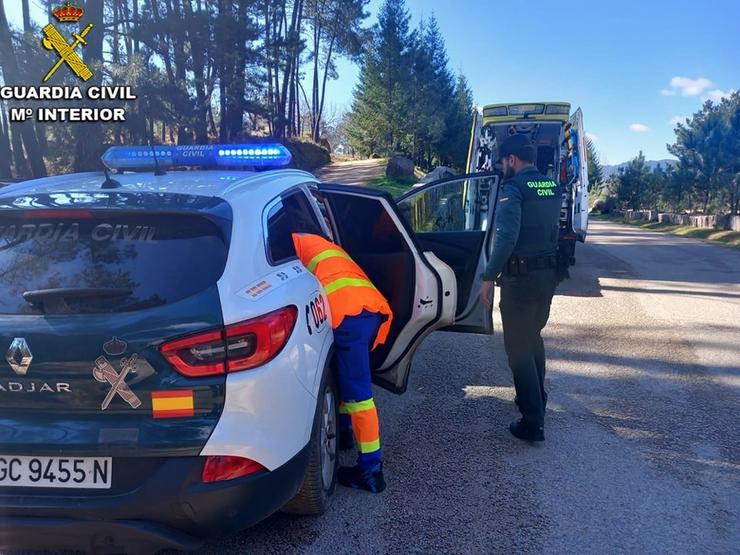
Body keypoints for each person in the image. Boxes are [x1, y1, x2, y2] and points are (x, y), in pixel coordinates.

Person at [292, 232, 393, 492]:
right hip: (369, 309)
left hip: (346, 315)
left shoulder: (290, 245)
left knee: (359, 396)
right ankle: (346, 433)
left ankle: (371, 471)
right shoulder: (319, 242)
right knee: (348, 379)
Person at [479, 134, 562, 442]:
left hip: (521, 280)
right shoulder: (552, 186)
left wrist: (488, 277)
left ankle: (532, 421)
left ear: (512, 159)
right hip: (548, 277)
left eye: (503, 162)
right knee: (532, 337)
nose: (502, 168)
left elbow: (506, 238)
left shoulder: (513, 189)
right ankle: (536, 397)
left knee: (517, 349)